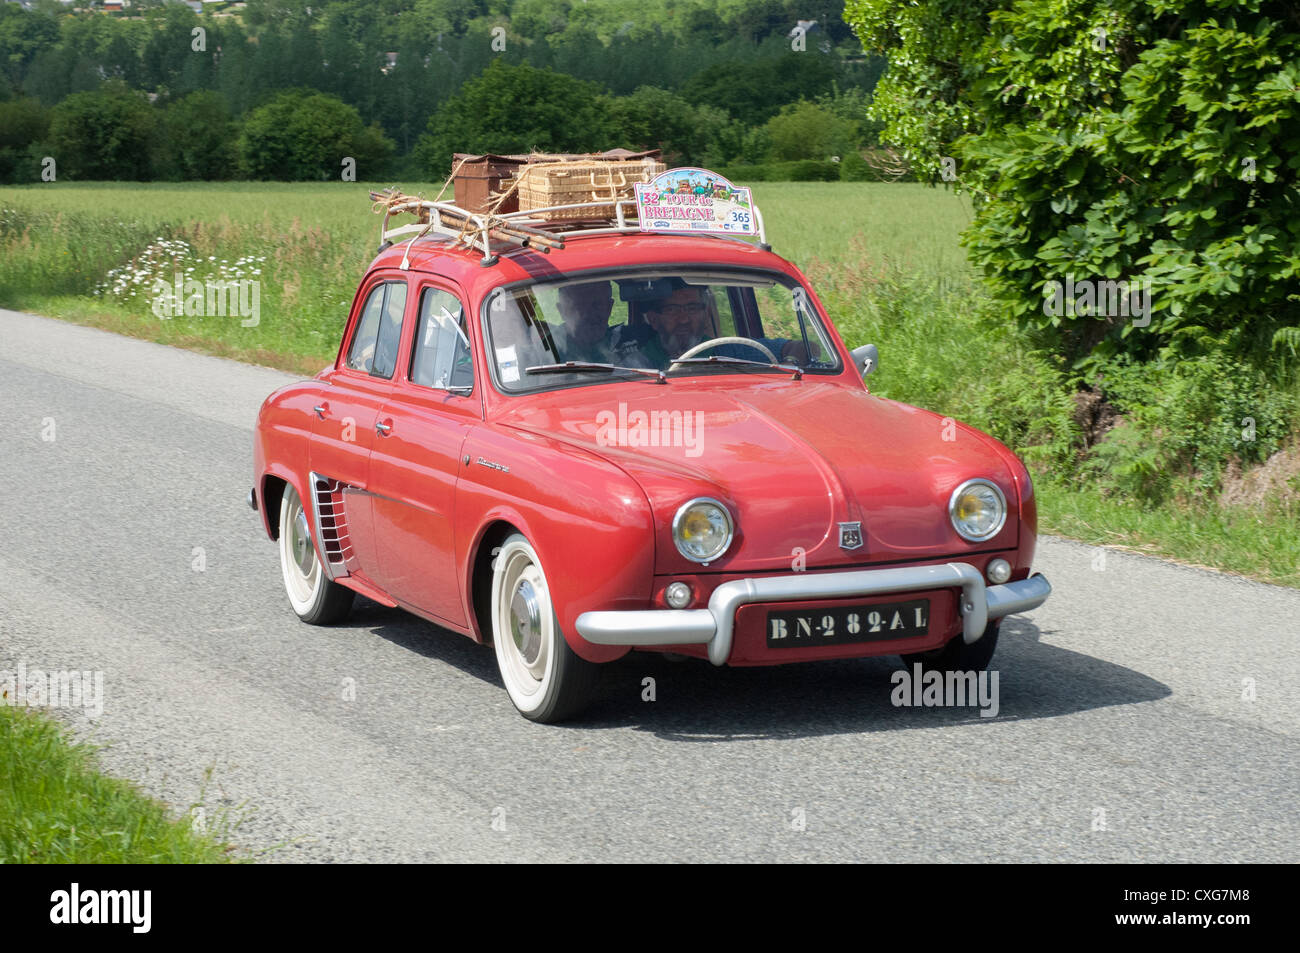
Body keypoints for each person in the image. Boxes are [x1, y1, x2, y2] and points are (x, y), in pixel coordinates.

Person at [553, 281, 616, 363]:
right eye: (579, 306)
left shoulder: (627, 344)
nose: (588, 314)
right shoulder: (547, 350)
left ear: (609, 308)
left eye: (597, 305)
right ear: (562, 311)